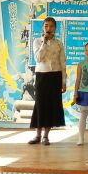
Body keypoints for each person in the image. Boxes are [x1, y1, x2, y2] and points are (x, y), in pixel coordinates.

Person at [28, 17, 66, 145]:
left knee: (51, 105)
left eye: (51, 26)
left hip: (55, 76)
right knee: (40, 105)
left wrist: (64, 82)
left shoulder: (59, 43)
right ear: (43, 28)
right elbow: (38, 58)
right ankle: (37, 135)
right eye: (46, 26)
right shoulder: (37, 41)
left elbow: (62, 63)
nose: (48, 28)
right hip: (42, 76)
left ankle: (46, 136)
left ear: (55, 28)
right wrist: (44, 42)